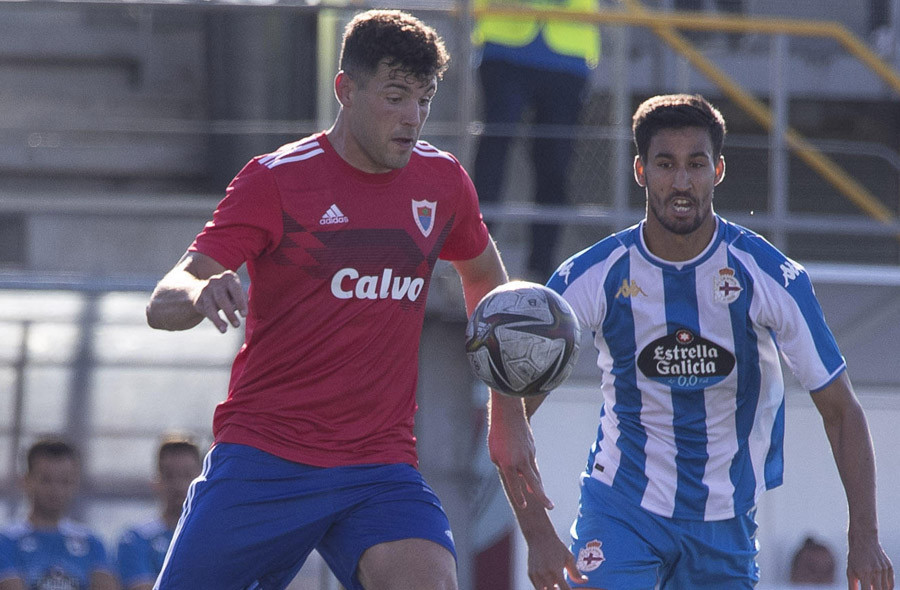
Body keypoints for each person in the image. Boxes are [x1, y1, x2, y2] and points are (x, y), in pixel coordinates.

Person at [145, 9, 545, 590]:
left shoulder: (443, 181)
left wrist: (506, 413)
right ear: (345, 90)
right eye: (396, 96)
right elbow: (164, 301)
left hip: (378, 466)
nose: (413, 119)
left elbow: (487, 284)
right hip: (266, 458)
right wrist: (201, 289)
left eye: (425, 100)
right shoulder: (276, 180)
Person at [489, 93, 895, 590]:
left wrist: (865, 535)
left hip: (724, 520)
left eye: (696, 164)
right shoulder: (592, 276)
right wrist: (537, 534)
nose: (681, 182)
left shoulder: (767, 275)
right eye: (665, 164)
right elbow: (510, 410)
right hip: (622, 510)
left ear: (718, 170)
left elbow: (842, 410)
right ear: (640, 170)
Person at [471, 0, 600, 280]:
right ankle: (473, 259)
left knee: (555, 165)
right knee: (493, 152)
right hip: (504, 44)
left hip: (568, 54)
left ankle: (541, 271)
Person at [0, 438, 117, 590]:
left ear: (76, 483)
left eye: (65, 481)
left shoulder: (92, 543)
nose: (56, 489)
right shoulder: (6, 541)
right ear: (26, 481)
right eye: (46, 480)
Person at [115, 436, 202, 590]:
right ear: (156, 481)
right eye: (170, 476)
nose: (179, 485)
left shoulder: (216, 538)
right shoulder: (135, 539)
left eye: (187, 475)